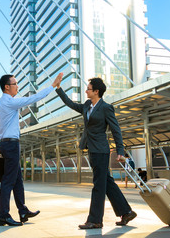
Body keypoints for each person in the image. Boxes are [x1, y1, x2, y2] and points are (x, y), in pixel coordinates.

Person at [56, 77, 137, 229]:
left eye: (88, 88)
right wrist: (59, 89)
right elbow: (71, 104)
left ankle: (95, 220)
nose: (86, 90)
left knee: (98, 186)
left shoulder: (106, 108)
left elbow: (116, 130)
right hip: (91, 149)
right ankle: (126, 212)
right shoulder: (87, 105)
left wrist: (120, 150)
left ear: (96, 91)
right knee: (106, 182)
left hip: (101, 150)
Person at [0, 72, 63, 226]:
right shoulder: (9, 102)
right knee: (9, 180)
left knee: (17, 180)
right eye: (15, 84)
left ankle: (23, 210)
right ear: (7, 87)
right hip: (11, 144)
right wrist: (52, 85)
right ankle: (3, 215)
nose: (17, 86)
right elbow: (33, 98)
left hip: (5, 144)